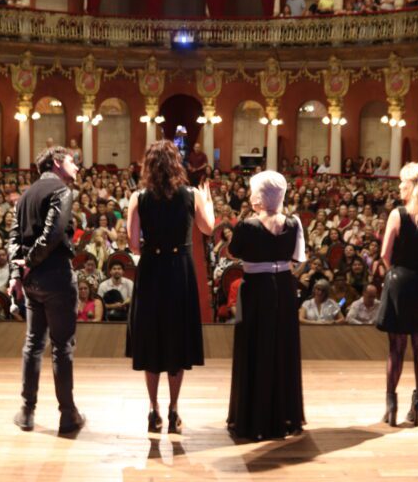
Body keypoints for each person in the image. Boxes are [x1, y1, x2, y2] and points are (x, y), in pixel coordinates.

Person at [126, 141, 214, 435]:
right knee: (176, 339)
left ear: (148, 166)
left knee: (152, 339)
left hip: (152, 270)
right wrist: (208, 201)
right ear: (177, 163)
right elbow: (208, 228)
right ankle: (174, 409)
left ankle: (153, 410)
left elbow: (133, 244)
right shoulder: (192, 194)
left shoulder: (138, 197)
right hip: (179, 271)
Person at [8, 146, 85, 434]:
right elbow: (53, 233)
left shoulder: (24, 196)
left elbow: (13, 238)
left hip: (32, 282)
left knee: (33, 344)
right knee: (62, 347)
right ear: (56, 163)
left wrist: (17, 272)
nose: (77, 167)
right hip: (56, 276)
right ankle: (68, 415)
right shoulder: (61, 190)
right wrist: (29, 262)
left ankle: (27, 411)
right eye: (72, 161)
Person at [226, 170, 306, 440]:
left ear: (260, 195)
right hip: (284, 287)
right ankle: (284, 415)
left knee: (252, 345)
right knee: (282, 347)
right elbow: (297, 257)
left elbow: (233, 252)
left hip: (255, 289)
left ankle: (252, 417)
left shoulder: (247, 225)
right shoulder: (293, 223)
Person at [376, 162, 418, 428]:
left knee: (396, 348)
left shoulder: (398, 214)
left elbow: (385, 254)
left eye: (403, 182)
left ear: (413, 186)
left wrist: (396, 273)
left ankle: (390, 406)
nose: (399, 186)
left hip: (400, 282)